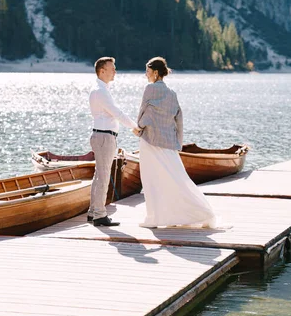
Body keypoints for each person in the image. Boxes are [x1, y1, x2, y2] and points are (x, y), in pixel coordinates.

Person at [137, 56, 217, 229]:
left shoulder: (150, 89)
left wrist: (139, 127)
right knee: (177, 178)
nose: (146, 75)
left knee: (152, 179)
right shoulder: (172, 94)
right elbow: (178, 120)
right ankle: (201, 211)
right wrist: (177, 143)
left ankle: (154, 218)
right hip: (168, 143)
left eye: (148, 71)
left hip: (150, 141)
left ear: (156, 73)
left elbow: (144, 113)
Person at [88, 57, 139, 226]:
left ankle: (93, 211)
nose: (115, 71)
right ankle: (99, 215)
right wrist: (134, 127)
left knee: (99, 175)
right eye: (112, 68)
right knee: (103, 177)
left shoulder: (99, 90)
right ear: (102, 71)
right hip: (104, 137)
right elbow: (116, 112)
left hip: (101, 136)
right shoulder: (101, 91)